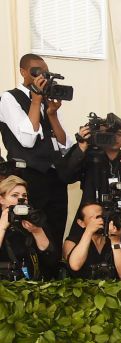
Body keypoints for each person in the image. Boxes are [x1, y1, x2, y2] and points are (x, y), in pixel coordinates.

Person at [0, 54, 72, 248]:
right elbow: (27, 140)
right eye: (36, 72)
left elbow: (64, 145)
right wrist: (35, 101)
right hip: (28, 176)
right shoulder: (9, 98)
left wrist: (52, 114)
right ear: (23, 72)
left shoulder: (47, 100)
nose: (42, 76)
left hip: (54, 176)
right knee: (29, 227)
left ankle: (54, 263)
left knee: (56, 227)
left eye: (45, 72)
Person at [56, 114, 121, 217]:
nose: (115, 138)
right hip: (92, 220)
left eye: (119, 134)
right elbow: (66, 177)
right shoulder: (88, 160)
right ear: (100, 136)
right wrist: (81, 147)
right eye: (109, 134)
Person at [0, 174, 57, 280]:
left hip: (34, 283)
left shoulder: (34, 218)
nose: (21, 199)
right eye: (15, 195)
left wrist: (37, 232)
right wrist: (2, 227)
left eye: (24, 196)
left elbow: (51, 262)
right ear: (1, 199)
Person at [63, 202, 121, 280]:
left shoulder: (112, 238)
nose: (100, 220)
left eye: (101, 216)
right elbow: (75, 266)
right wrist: (88, 231)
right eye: (93, 218)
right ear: (81, 223)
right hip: (82, 286)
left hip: (110, 285)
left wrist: (116, 242)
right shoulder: (72, 241)